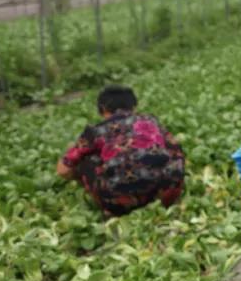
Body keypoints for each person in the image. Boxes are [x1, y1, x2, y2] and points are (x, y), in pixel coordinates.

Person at [58, 85, 186, 217]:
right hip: (165, 193)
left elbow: (62, 170)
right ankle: (171, 198)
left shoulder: (95, 131)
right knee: (171, 146)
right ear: (134, 107)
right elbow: (175, 148)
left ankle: (110, 209)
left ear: (103, 109)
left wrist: (78, 175)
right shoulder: (150, 120)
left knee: (85, 160)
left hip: (119, 203)